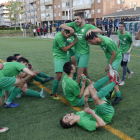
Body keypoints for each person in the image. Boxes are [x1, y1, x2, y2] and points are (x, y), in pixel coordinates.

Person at [60, 66, 121, 131]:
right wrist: (92, 113)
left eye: (65, 116)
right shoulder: (84, 123)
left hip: (100, 108)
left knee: (91, 87)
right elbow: (102, 124)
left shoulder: (77, 114)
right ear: (71, 122)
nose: (66, 114)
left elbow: (86, 110)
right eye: (66, 118)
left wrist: (85, 101)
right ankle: (116, 81)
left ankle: (110, 76)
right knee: (95, 97)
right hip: (106, 114)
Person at [60, 11, 102, 85]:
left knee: (79, 72)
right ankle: (91, 85)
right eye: (75, 19)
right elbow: (62, 26)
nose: (76, 21)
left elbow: (99, 30)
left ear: (83, 19)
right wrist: (71, 29)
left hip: (84, 53)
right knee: (85, 71)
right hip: (77, 52)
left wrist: (91, 30)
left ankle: (77, 89)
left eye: (78, 19)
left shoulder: (88, 26)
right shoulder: (74, 24)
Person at [85, 32, 122, 104]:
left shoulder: (107, 42)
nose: (90, 43)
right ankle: (114, 92)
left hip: (116, 58)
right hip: (110, 58)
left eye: (90, 41)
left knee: (113, 77)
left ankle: (118, 96)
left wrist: (108, 65)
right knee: (111, 77)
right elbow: (96, 43)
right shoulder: (99, 40)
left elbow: (114, 54)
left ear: (94, 38)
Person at [51, 28, 78, 99]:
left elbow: (66, 46)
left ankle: (71, 88)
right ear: (64, 32)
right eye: (68, 35)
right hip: (58, 57)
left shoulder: (64, 35)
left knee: (71, 71)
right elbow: (65, 49)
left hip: (65, 56)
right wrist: (74, 42)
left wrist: (69, 44)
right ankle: (53, 94)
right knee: (59, 75)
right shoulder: (58, 37)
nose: (69, 37)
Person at [117, 21, 133, 86]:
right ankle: (130, 72)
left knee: (124, 65)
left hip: (126, 51)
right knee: (122, 64)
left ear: (123, 27)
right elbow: (119, 40)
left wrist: (129, 49)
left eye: (121, 26)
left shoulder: (128, 35)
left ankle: (123, 80)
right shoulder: (118, 32)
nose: (120, 27)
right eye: (119, 26)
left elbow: (132, 42)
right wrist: (117, 47)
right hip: (121, 50)